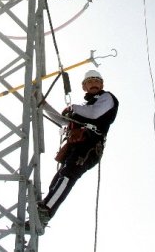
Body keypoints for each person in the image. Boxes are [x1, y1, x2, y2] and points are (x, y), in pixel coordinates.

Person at [35, 69, 119, 229]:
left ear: (102, 84)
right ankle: (42, 218)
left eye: (96, 81)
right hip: (76, 145)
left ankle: (46, 210)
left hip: (90, 144)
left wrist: (72, 108)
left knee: (68, 175)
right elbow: (63, 121)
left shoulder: (106, 98)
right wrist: (43, 104)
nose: (93, 83)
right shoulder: (83, 107)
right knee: (58, 179)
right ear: (84, 87)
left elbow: (94, 114)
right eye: (90, 81)